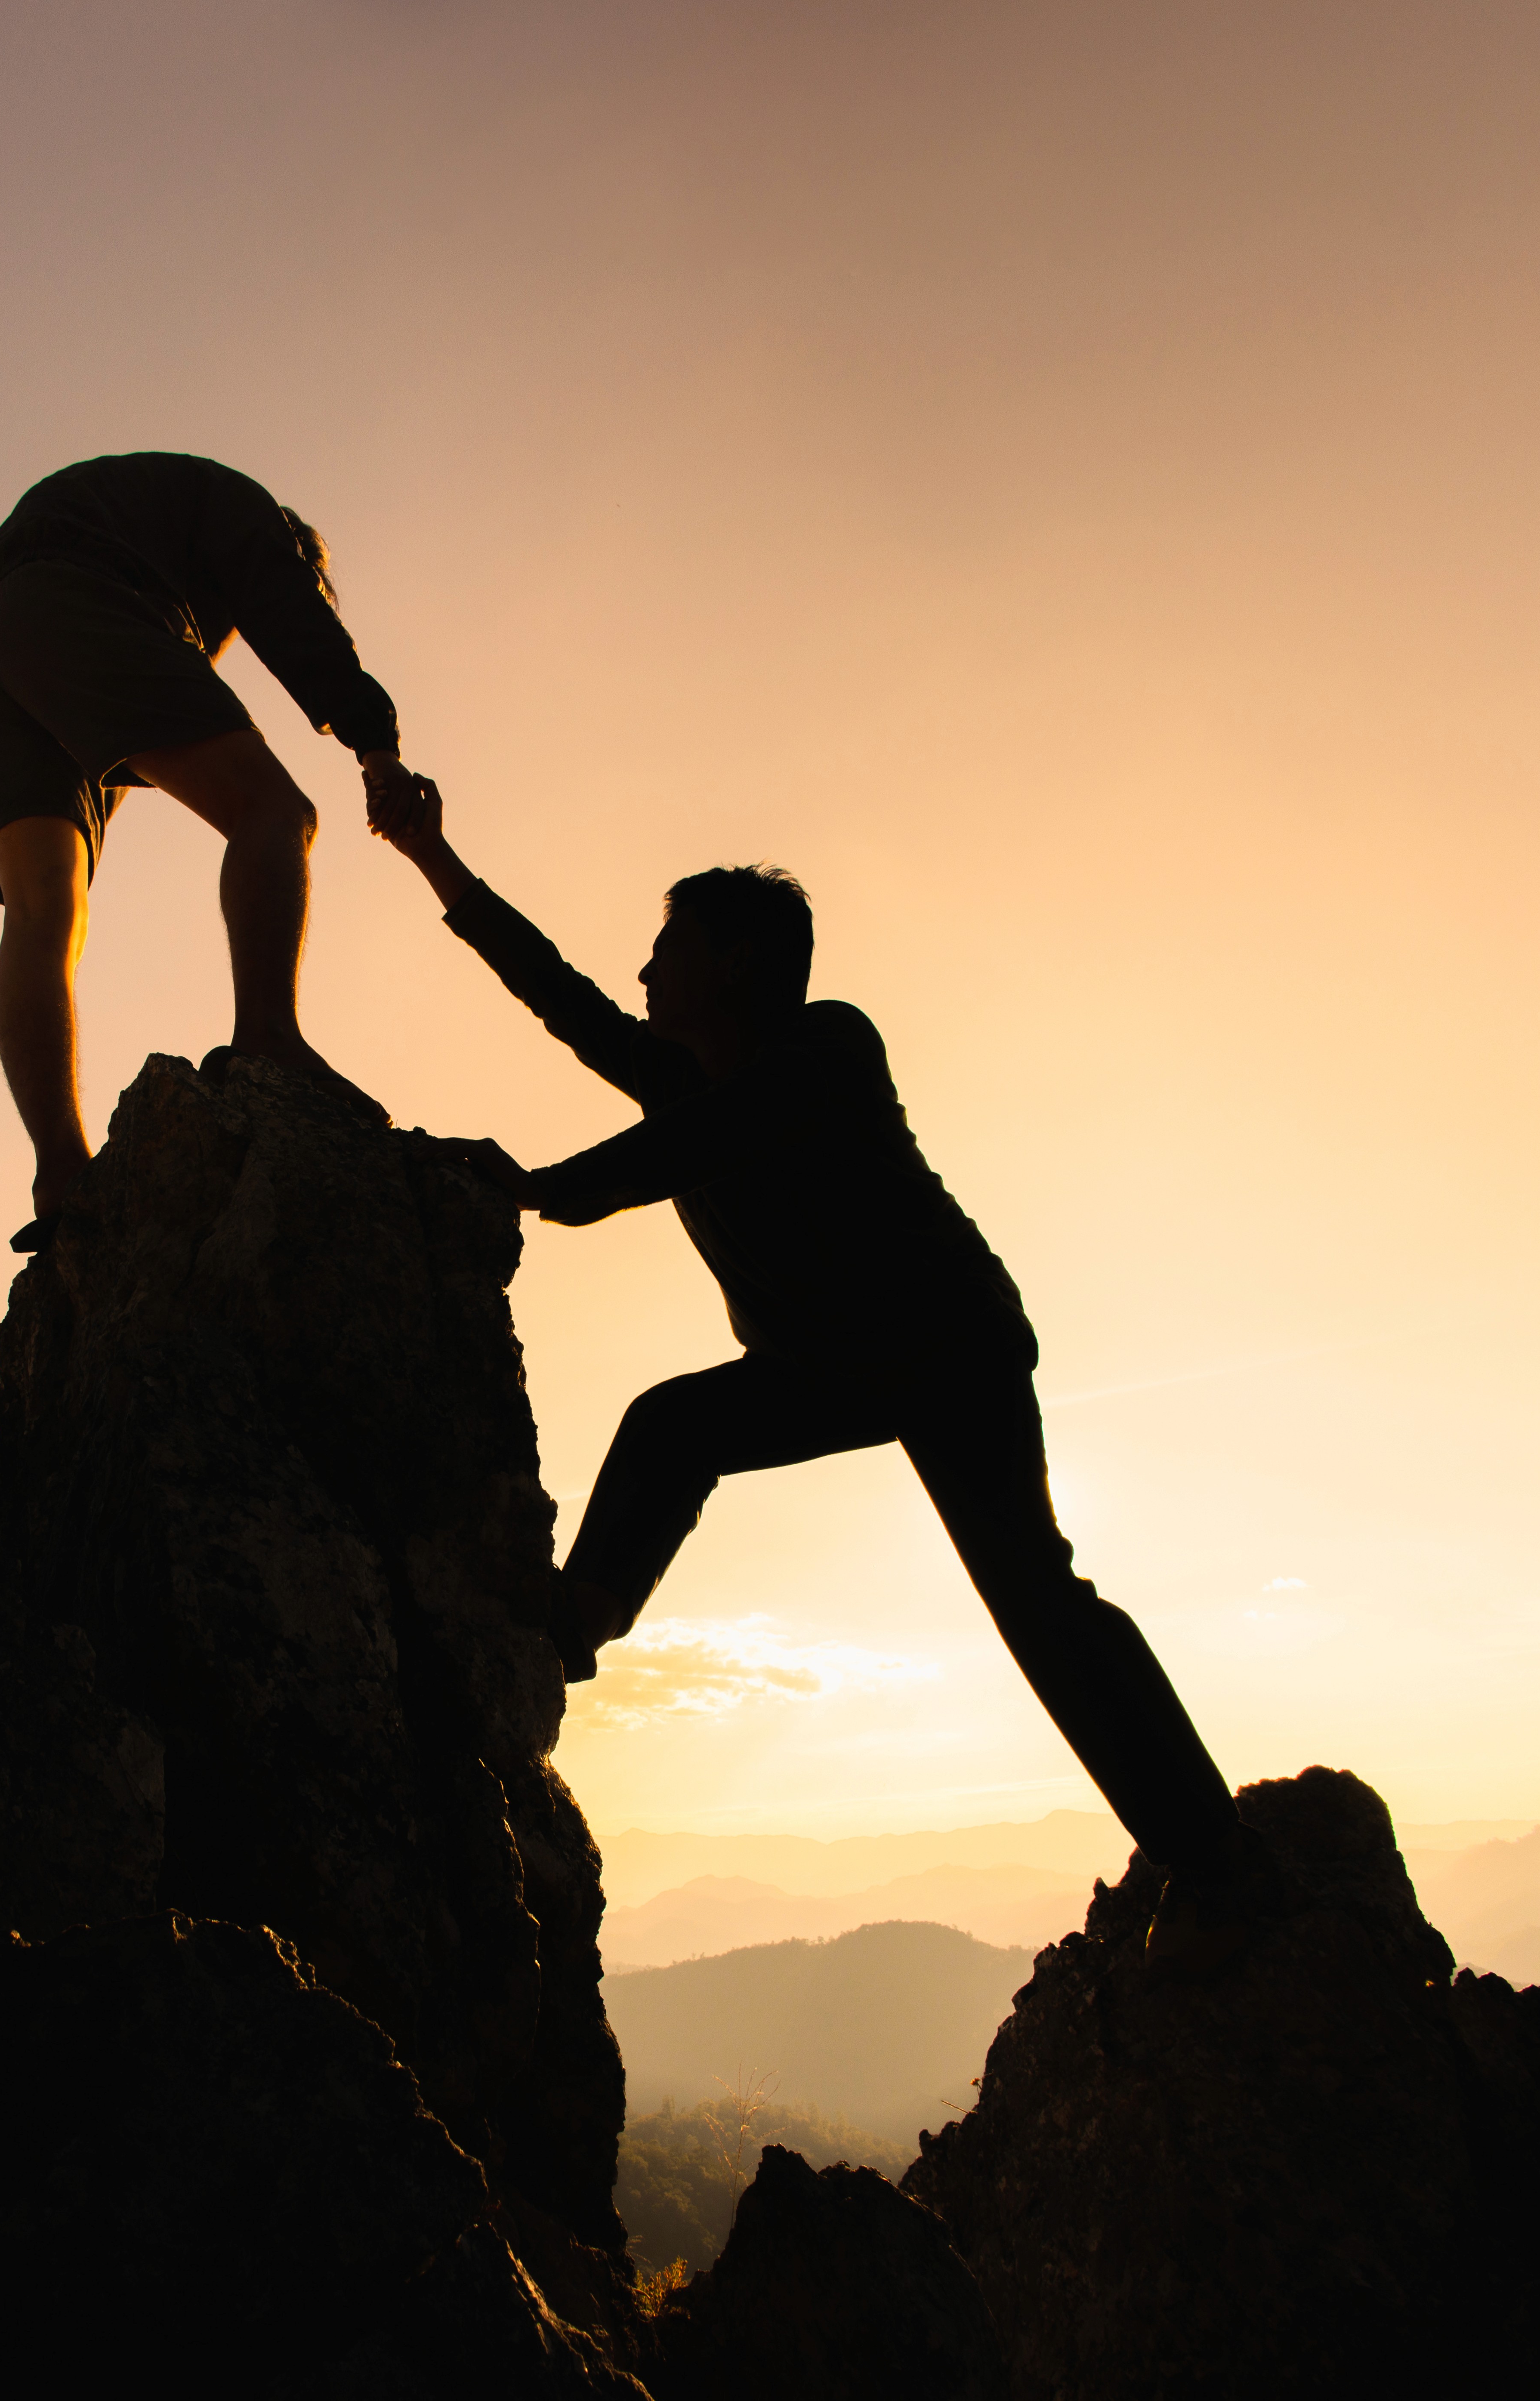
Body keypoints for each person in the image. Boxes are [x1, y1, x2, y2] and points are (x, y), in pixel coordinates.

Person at [366, 774, 1281, 1964]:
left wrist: (536, 1189)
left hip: (946, 1348)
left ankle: (1211, 1858)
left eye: (667, 949)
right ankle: (569, 1624)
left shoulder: (826, 1047)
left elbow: (690, 1145)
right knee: (672, 1425)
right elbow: (557, 994)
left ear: (740, 960)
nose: (643, 975)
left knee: (1038, 1603)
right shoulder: (685, 1075)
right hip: (827, 1364)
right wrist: (433, 859)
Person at [0, 453, 407, 1242]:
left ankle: (63, 1171)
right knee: (276, 810)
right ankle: (269, 1041)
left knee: (43, 909)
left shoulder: (135, 502)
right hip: (72, 594)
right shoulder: (241, 514)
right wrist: (374, 743)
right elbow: (292, 616)